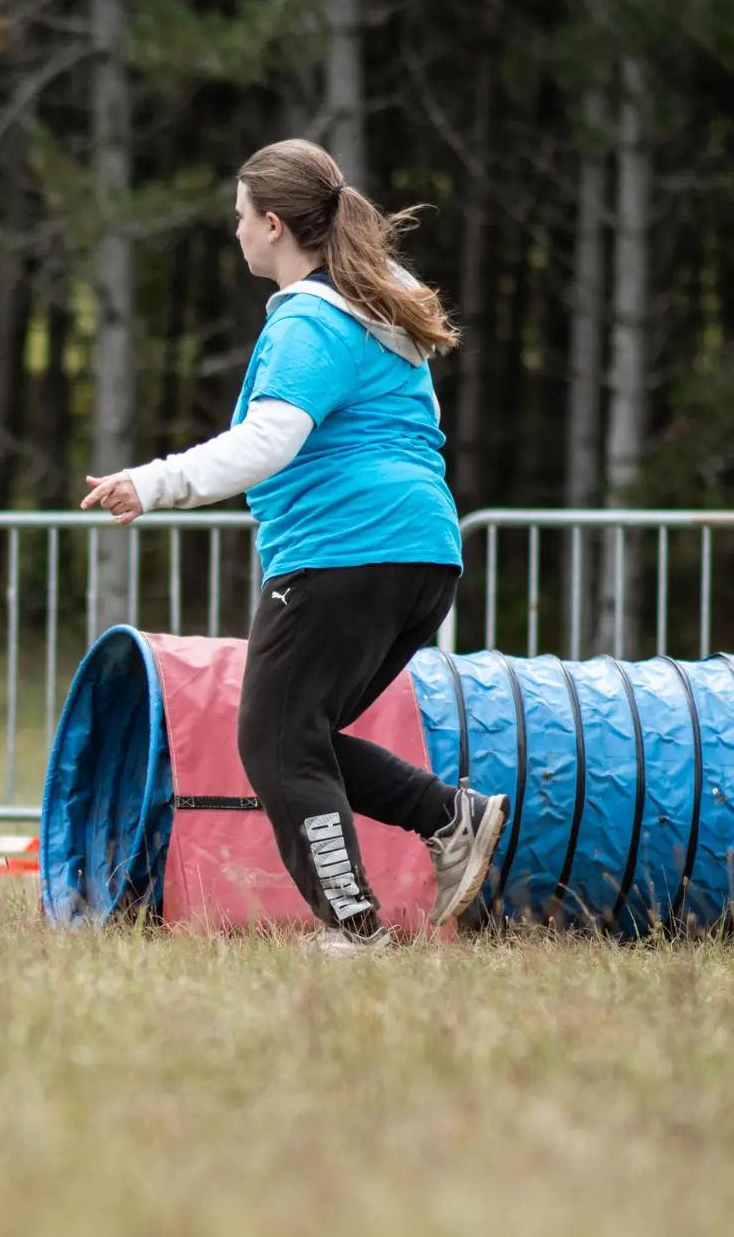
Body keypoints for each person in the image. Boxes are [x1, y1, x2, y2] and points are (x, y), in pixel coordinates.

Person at [78, 138, 508, 956]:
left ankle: (354, 928)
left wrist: (155, 481)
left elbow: (268, 440)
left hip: (343, 551)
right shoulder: (377, 303)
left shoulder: (312, 320)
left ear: (273, 225)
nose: (235, 233)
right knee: (296, 734)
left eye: (240, 219)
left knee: (274, 741)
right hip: (423, 553)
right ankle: (449, 818)